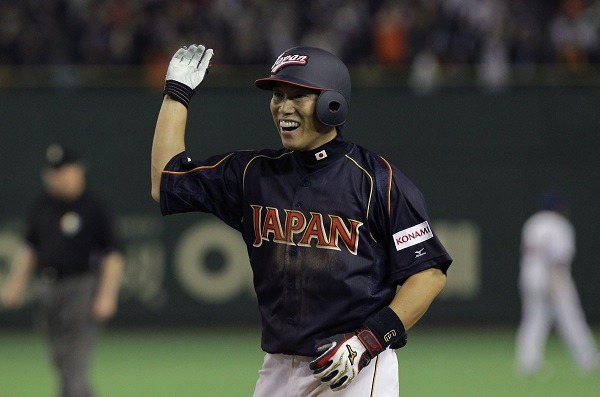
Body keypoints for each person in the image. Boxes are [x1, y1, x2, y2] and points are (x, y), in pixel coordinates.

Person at [151, 44, 452, 396]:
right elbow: (165, 183)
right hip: (278, 365)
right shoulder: (253, 174)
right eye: (278, 95)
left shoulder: (377, 180)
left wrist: (368, 341)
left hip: (352, 366)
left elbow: (428, 273)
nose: (283, 107)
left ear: (332, 105)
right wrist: (177, 94)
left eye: (298, 96)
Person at [1, 143, 124, 397]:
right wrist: (15, 284)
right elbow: (30, 248)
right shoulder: (42, 204)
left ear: (79, 171)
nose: (57, 177)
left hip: (81, 288)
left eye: (64, 170)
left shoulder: (94, 206)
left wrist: (107, 295)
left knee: (74, 365)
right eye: (53, 171)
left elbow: (113, 255)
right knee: (60, 360)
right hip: (48, 288)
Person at [516, 190, 599, 376]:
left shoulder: (533, 223)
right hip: (552, 276)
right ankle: (587, 359)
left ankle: (528, 362)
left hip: (529, 276)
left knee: (534, 319)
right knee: (570, 317)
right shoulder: (559, 225)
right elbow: (558, 258)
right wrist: (557, 284)